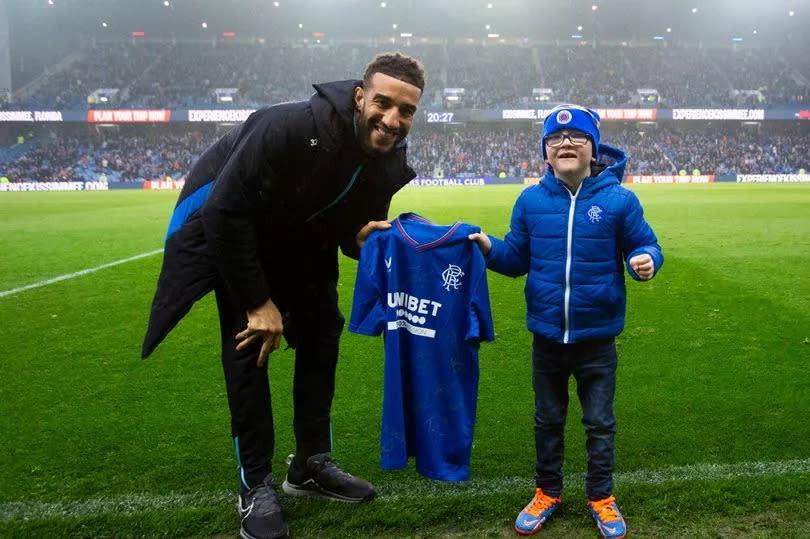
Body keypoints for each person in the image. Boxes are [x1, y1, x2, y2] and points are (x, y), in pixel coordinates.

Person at [141, 52, 425, 539]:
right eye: (383, 103)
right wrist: (257, 302)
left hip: (302, 245)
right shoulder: (287, 125)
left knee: (322, 335)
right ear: (360, 97)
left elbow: (347, 231)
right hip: (237, 240)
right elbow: (223, 212)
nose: (392, 119)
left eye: (406, 111)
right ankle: (255, 482)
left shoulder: (389, 157)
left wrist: (363, 238)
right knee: (251, 347)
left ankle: (310, 463)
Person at [469, 104, 663, 538]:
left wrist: (645, 258)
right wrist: (486, 246)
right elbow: (516, 258)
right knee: (547, 420)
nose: (566, 143)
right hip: (547, 338)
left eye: (576, 137)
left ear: (594, 148)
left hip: (597, 339)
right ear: (545, 152)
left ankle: (601, 497)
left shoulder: (619, 200)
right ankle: (548, 492)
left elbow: (647, 244)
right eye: (555, 139)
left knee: (599, 423)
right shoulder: (531, 200)